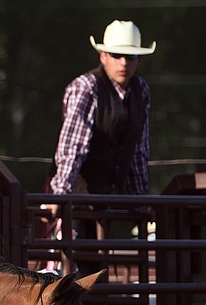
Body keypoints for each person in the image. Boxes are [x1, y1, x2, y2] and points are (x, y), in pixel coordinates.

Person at [48, 20, 155, 200]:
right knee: (73, 229)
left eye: (131, 56)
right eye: (116, 54)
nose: (123, 63)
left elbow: (138, 151)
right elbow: (73, 147)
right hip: (75, 196)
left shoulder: (141, 90)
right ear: (103, 56)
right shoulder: (87, 88)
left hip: (111, 198)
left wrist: (140, 198)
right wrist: (60, 195)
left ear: (139, 60)